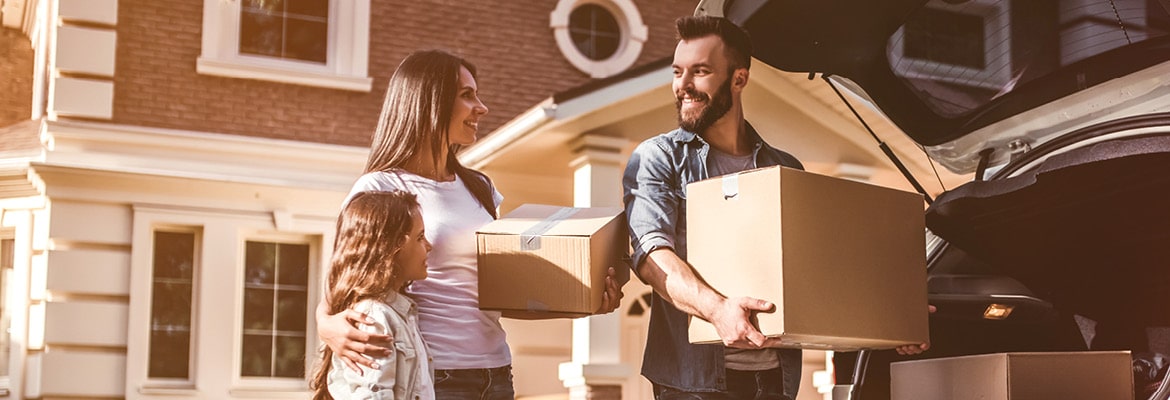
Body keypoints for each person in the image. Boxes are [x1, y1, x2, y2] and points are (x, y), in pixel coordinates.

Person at [622, 16, 929, 400]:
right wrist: (718, 310)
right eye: (677, 72)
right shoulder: (659, 158)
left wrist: (893, 319)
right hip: (693, 384)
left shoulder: (784, 169)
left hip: (775, 382)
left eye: (700, 71)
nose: (682, 85)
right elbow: (651, 254)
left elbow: (818, 268)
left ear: (739, 78)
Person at [316, 49, 625, 400]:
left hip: (494, 374)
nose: (481, 107)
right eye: (467, 95)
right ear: (429, 102)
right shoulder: (380, 188)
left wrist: (583, 303)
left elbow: (496, 296)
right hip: (432, 376)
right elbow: (340, 286)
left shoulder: (479, 188)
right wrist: (326, 326)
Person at [310, 190, 433, 400]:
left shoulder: (401, 314)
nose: (429, 246)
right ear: (394, 247)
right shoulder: (374, 318)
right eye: (420, 237)